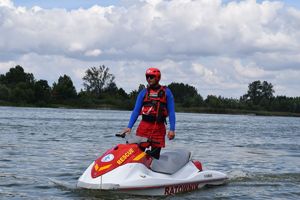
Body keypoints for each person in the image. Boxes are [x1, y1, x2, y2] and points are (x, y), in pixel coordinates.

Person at [123, 67, 176, 159]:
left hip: (159, 128)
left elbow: (171, 112)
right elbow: (136, 111)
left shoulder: (166, 92)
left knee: (154, 157)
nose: (149, 79)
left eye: (151, 77)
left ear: (157, 77)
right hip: (144, 127)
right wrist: (129, 127)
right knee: (137, 155)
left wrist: (172, 129)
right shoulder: (143, 93)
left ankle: (152, 171)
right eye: (147, 77)